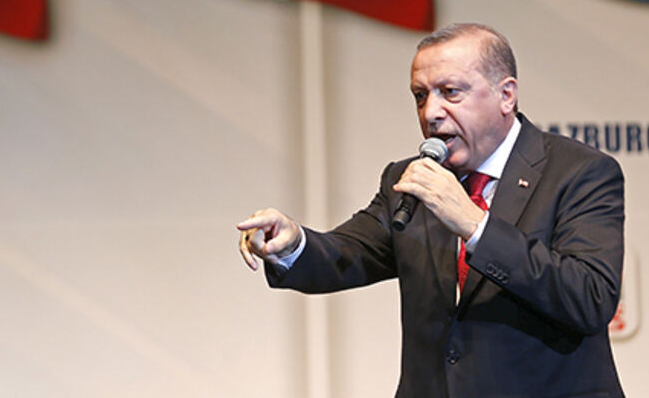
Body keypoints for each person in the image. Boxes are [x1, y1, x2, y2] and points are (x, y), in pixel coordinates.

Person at [237, 23, 625, 398]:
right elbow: (347, 254)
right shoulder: (411, 180)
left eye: (450, 92)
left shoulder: (579, 172)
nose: (431, 113)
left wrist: (474, 225)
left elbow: (589, 296)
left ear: (506, 95)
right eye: (420, 96)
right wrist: (290, 244)